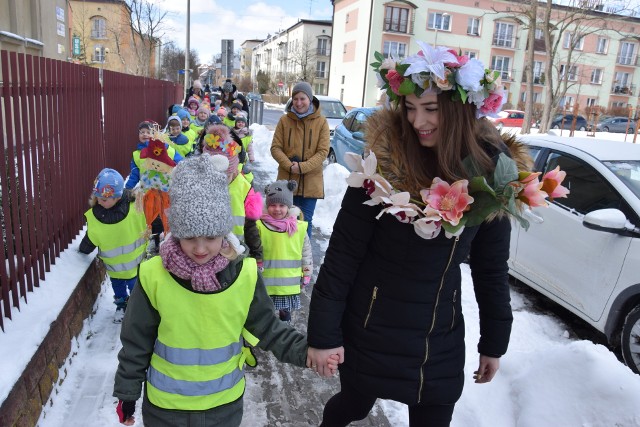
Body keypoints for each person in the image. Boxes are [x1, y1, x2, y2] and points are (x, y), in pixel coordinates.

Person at [306, 43, 568, 426]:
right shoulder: (380, 167)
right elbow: (343, 254)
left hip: (438, 338)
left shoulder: (493, 178)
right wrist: (324, 334)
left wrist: (494, 343)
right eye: (410, 108)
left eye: (430, 109)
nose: (417, 121)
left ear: (459, 110)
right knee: (353, 406)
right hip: (370, 327)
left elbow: (491, 268)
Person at [112, 155, 338, 426]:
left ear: (224, 232)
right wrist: (127, 394)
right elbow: (136, 339)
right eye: (189, 237)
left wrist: (308, 352)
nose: (200, 248)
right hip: (165, 408)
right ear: (176, 232)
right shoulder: (154, 275)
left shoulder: (244, 275)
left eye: (210, 237)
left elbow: (268, 329)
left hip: (223, 407)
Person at [79, 168, 147, 323]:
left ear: (117, 196)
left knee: (135, 286)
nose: (100, 202)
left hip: (134, 264)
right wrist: (84, 249)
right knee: (118, 287)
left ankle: (137, 307)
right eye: (98, 198)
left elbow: (147, 220)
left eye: (104, 199)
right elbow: (91, 237)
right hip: (113, 267)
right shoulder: (95, 216)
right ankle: (121, 305)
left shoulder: (134, 208)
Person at [270, 81, 329, 238]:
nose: (298, 102)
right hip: (286, 181)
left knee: (305, 221)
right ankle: (284, 255)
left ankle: (304, 259)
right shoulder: (284, 121)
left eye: (302, 98)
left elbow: (323, 151)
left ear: (310, 99)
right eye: (295, 99)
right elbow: (275, 148)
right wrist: (289, 166)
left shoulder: (321, 122)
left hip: (311, 182)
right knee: (284, 218)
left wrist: (302, 167)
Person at [257, 180, 313, 322]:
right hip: (266, 281)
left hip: (288, 284)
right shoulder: (259, 225)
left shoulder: (297, 228)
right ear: (266, 206)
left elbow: (306, 252)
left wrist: (306, 271)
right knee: (265, 311)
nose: (277, 209)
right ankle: (266, 332)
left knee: (285, 313)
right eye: (272, 205)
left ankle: (285, 332)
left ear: (288, 207)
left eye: (282, 205)